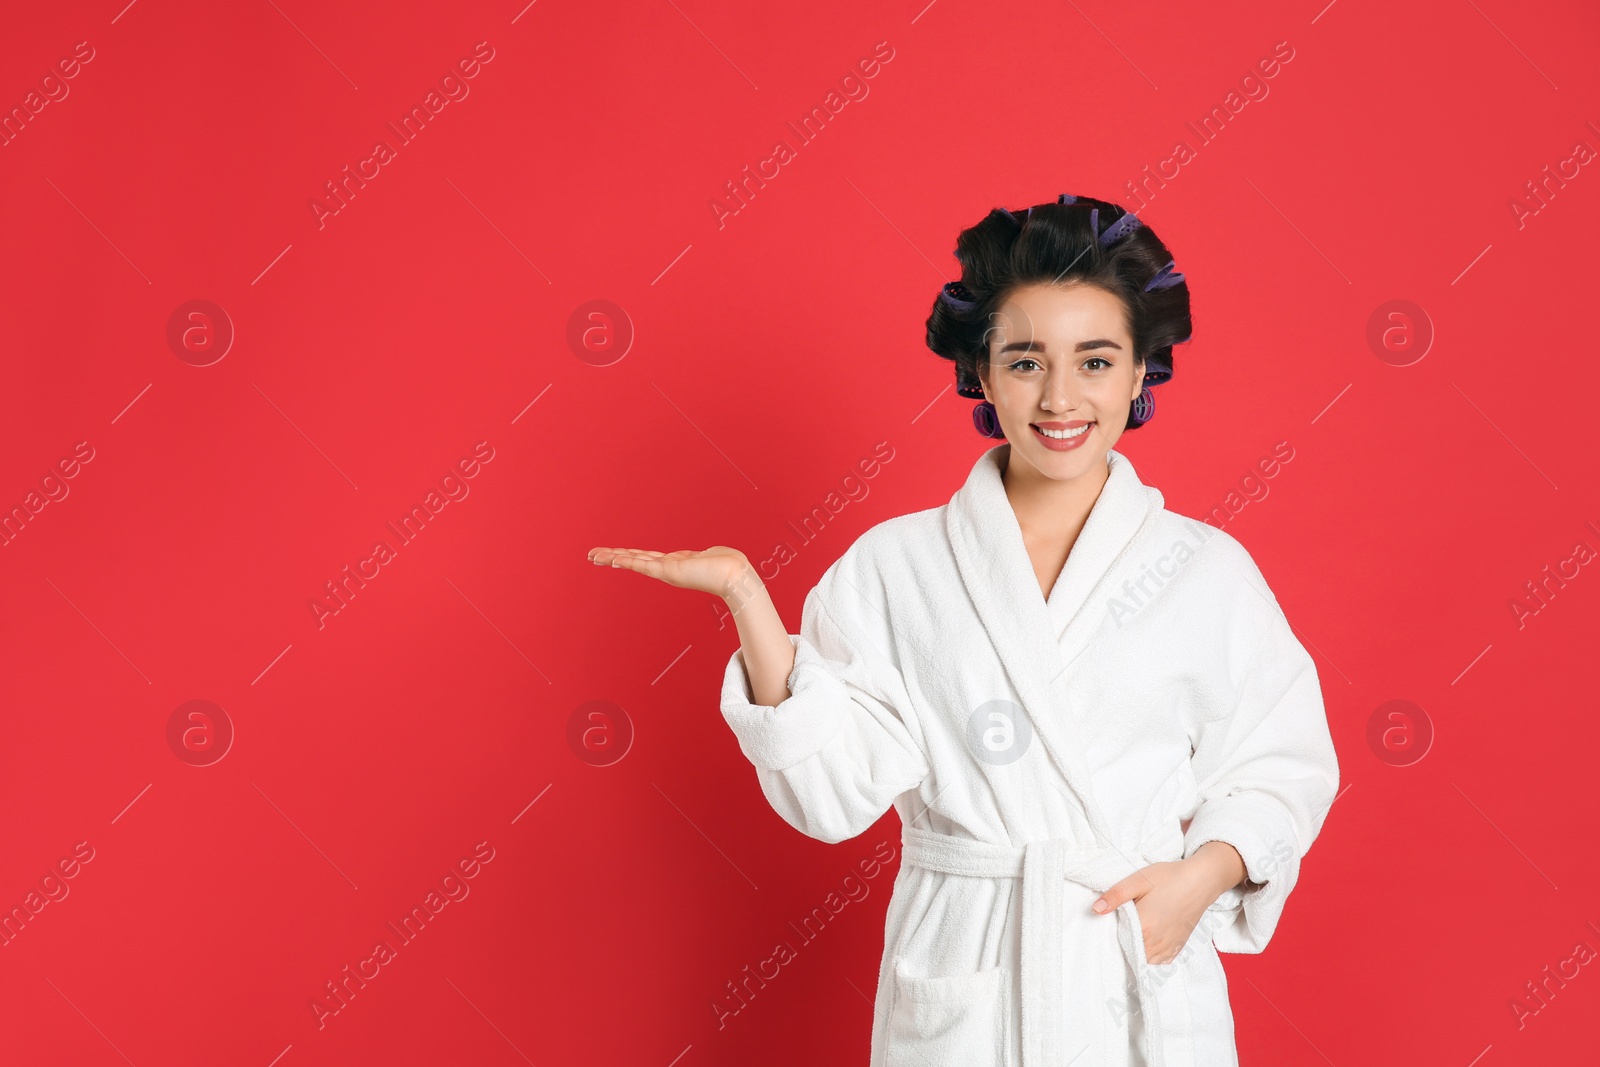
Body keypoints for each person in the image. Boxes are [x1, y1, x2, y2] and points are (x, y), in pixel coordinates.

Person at [588, 194, 1340, 1067]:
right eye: (1026, 361)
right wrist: (747, 596)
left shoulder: (1205, 572)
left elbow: (1282, 765)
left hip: (1135, 974)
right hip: (968, 985)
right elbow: (829, 793)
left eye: (1095, 360)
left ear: (1141, 375)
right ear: (981, 373)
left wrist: (1195, 884)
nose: (1061, 396)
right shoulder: (898, 566)